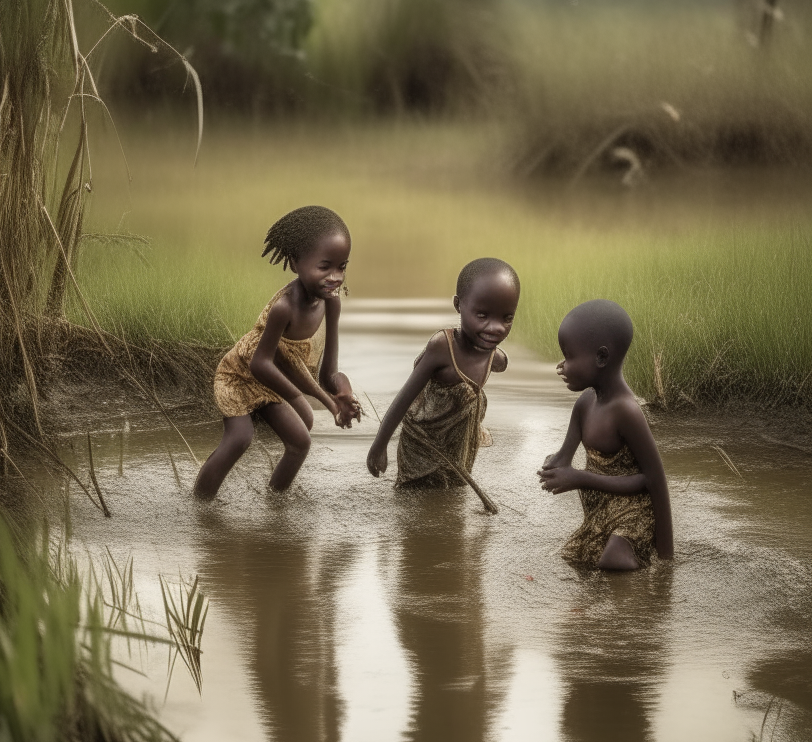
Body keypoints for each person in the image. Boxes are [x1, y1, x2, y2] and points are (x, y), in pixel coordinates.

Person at [194, 205, 361, 497]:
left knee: (301, 437)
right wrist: (307, 397)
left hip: (274, 377)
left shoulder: (331, 303)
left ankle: (275, 501)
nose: (335, 277)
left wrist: (343, 392)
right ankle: (200, 504)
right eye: (325, 267)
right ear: (296, 263)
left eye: (342, 266)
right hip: (240, 376)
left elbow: (329, 373)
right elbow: (259, 364)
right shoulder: (285, 307)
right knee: (240, 439)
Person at [538, 299, 673, 570]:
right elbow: (564, 457)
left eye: (569, 356)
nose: (560, 367)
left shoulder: (626, 412)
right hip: (600, 514)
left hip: (633, 514)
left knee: (613, 561)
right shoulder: (585, 403)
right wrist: (553, 467)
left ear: (601, 357)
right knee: (573, 560)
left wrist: (666, 557)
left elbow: (653, 480)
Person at [366, 258, 519, 488]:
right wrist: (379, 446)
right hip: (422, 445)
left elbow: (501, 362)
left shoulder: (490, 351)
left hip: (458, 446)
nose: (496, 328)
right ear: (459, 305)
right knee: (414, 500)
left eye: (506, 318)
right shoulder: (442, 348)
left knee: (452, 502)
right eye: (482, 315)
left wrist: (501, 360)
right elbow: (403, 400)